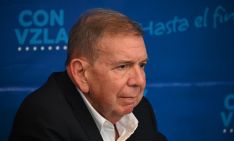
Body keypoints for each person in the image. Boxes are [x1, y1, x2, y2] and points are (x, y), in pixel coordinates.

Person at [9, 8, 167, 141]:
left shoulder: (141, 109)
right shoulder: (43, 120)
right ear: (81, 73)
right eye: (122, 66)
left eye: (142, 65)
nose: (139, 81)